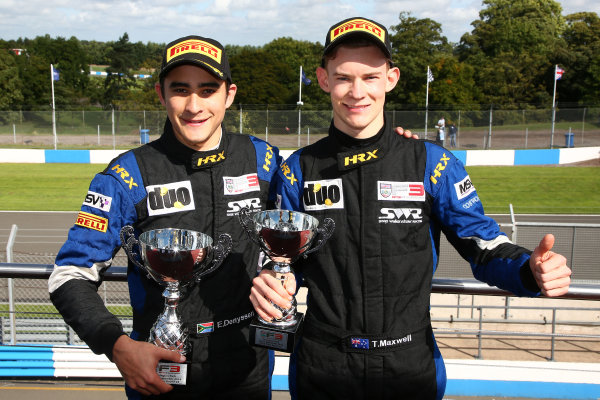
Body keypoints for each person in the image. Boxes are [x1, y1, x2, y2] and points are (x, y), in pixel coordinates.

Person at [249, 17, 572, 400]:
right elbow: (283, 263)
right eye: (343, 78)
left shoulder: (432, 163)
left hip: (410, 365)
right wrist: (274, 281)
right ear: (323, 80)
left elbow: (483, 248)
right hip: (323, 365)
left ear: (391, 78)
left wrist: (529, 270)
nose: (357, 92)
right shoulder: (297, 170)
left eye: (370, 77)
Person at [49, 35, 283, 399]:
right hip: (159, 372)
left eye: (207, 90)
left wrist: (398, 150)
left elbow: (306, 219)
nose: (194, 105)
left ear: (229, 94)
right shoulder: (127, 175)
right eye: (180, 90)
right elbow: (69, 275)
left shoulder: (263, 159)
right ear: (161, 94)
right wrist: (116, 345)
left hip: (246, 370)